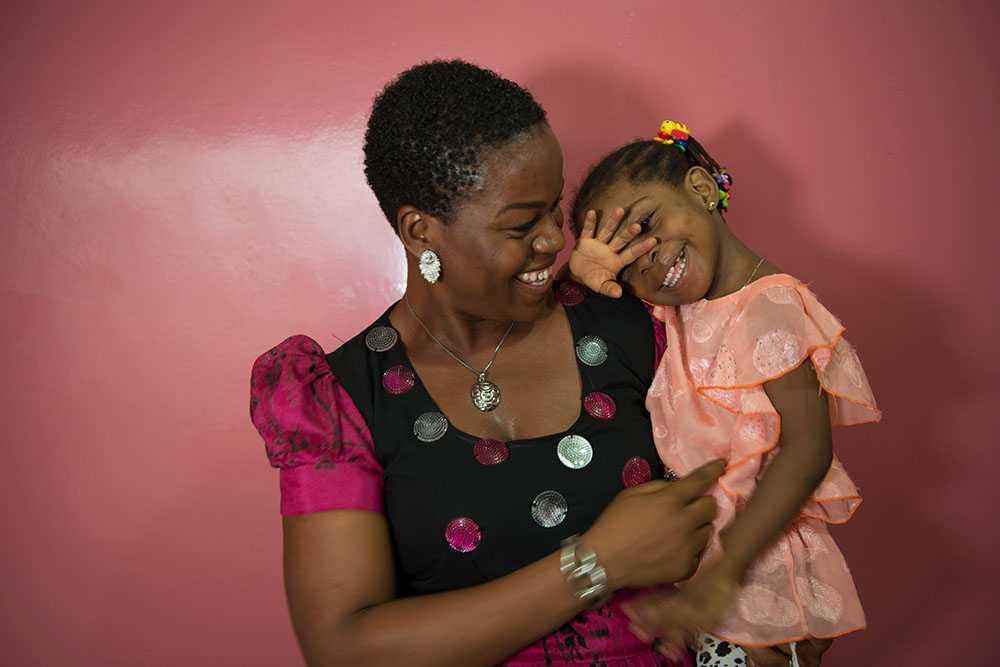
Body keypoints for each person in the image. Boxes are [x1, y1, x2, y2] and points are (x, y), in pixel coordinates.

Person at [250, 61, 727, 667]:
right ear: (421, 231)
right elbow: (343, 647)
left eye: (555, 209)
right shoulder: (343, 399)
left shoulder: (631, 322)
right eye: (522, 224)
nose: (556, 240)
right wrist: (596, 564)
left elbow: (757, 475)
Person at [567, 121, 881, 666]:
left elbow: (808, 450)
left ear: (702, 190)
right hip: (713, 568)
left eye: (646, 224)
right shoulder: (677, 308)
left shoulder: (769, 303)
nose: (648, 258)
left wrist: (722, 576)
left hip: (760, 566)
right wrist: (587, 273)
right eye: (626, 258)